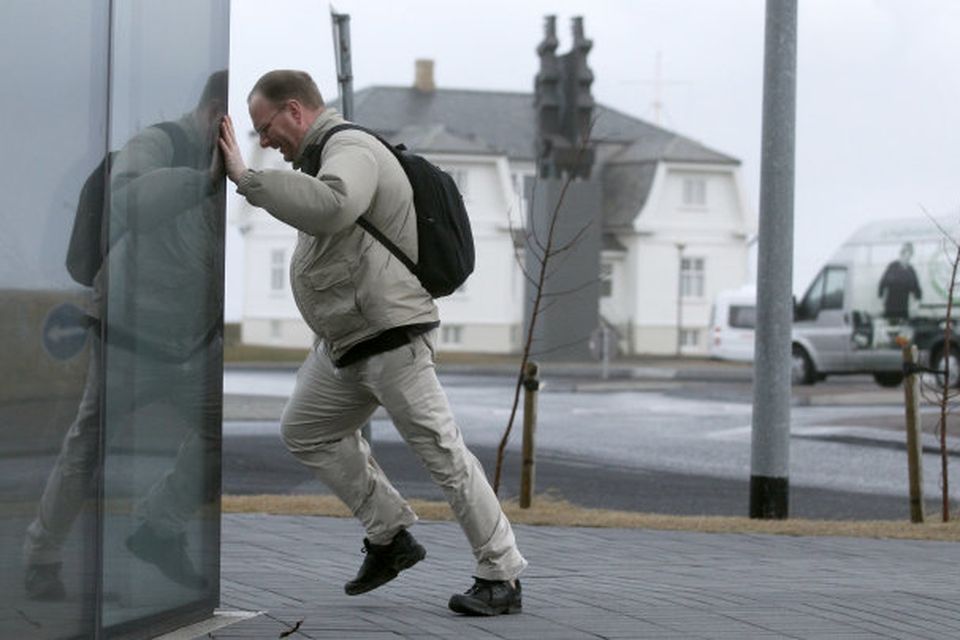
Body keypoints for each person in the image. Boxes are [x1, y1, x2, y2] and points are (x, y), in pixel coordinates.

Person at [217, 69, 526, 616]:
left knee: (444, 456)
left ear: (295, 110)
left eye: (266, 129)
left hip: (391, 338)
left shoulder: (350, 146)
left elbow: (336, 203)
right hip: (344, 343)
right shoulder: (320, 158)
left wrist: (247, 178)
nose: (264, 143)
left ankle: (501, 575)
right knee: (305, 431)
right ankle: (390, 535)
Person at [23, 72, 226, 601]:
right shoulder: (160, 143)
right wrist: (198, 180)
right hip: (131, 343)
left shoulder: (223, 162)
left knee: (215, 442)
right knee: (85, 450)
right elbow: (125, 201)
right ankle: (41, 557)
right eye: (227, 120)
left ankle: (158, 528)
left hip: (193, 346)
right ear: (210, 110)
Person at [878, 242, 922, 321]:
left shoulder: (911, 270)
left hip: (903, 307)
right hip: (890, 307)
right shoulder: (892, 267)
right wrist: (881, 300)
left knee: (903, 329)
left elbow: (916, 288)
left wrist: (917, 302)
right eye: (905, 255)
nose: (907, 259)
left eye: (909, 256)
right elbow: (882, 283)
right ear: (901, 255)